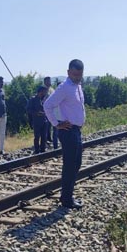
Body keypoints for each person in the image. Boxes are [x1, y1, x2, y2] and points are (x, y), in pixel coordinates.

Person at [43, 59, 85, 209]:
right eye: (74, 75)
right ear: (68, 72)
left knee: (76, 164)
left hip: (76, 131)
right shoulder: (64, 88)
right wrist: (56, 124)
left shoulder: (78, 86)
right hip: (68, 131)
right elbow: (47, 105)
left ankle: (67, 195)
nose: (77, 77)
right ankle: (66, 199)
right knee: (70, 165)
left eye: (79, 75)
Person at [27, 85, 49, 154]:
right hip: (36, 121)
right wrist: (36, 113)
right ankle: (36, 150)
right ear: (40, 91)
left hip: (44, 120)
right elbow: (28, 110)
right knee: (37, 136)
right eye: (44, 92)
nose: (45, 93)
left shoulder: (44, 99)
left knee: (44, 136)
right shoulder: (33, 99)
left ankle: (43, 149)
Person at [43, 77, 58, 149]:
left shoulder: (52, 89)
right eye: (48, 81)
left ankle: (52, 141)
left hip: (54, 111)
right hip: (46, 112)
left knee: (53, 126)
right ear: (45, 82)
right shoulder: (43, 90)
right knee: (46, 128)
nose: (49, 82)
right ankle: (45, 142)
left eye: (49, 81)